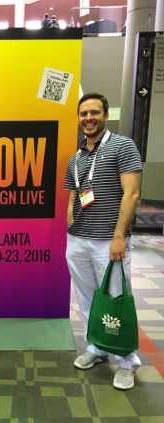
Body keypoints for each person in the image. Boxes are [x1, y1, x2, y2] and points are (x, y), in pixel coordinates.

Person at [64, 92, 142, 390]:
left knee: (116, 299)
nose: (88, 118)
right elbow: (74, 193)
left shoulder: (123, 146)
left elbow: (132, 193)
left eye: (94, 112)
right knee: (87, 299)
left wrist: (119, 236)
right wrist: (69, 221)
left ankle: (127, 361)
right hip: (78, 241)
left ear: (105, 115)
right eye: (83, 114)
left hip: (109, 242)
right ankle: (96, 348)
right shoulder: (78, 156)